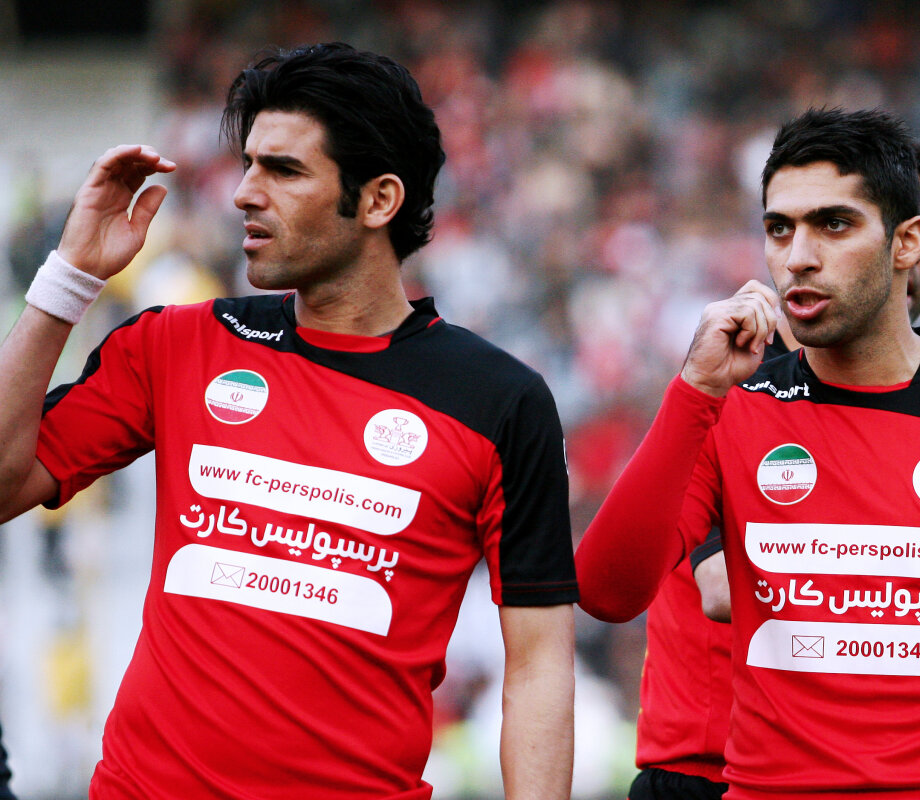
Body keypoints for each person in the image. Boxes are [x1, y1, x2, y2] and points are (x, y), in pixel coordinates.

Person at [0, 43, 576, 800]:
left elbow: (538, 665)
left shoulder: (499, 402)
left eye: (283, 170)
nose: (244, 192)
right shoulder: (176, 344)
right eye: (247, 165)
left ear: (379, 200)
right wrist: (69, 277)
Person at [576, 108, 920, 799]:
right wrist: (694, 391)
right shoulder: (730, 406)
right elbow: (607, 592)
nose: (798, 256)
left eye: (834, 224)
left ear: (909, 243)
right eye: (779, 229)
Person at [621, 141, 920, 800]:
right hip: (708, 767)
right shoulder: (738, 389)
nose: (915, 252)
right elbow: (718, 588)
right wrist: (918, 619)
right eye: (828, 225)